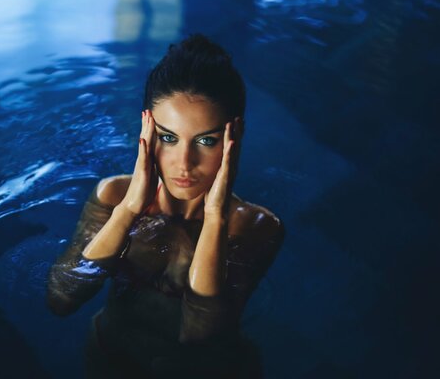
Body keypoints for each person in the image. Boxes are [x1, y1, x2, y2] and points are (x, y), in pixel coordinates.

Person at [46, 34, 285, 378]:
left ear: (236, 137)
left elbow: (199, 336)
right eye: (168, 137)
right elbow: (61, 299)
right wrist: (128, 210)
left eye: (206, 140)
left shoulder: (254, 226)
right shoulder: (114, 195)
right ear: (147, 130)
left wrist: (216, 217)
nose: (184, 163)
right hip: (107, 360)